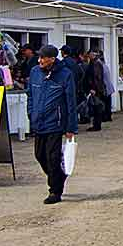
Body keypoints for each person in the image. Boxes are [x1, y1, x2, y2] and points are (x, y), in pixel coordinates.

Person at [26, 45, 78, 205]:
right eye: (39, 57)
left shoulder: (65, 75)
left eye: (43, 58)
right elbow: (30, 95)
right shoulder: (35, 72)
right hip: (38, 122)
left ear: (52, 59)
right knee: (40, 155)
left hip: (55, 123)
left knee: (53, 157)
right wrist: (30, 112)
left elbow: (71, 102)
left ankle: (55, 191)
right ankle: (59, 177)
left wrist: (71, 128)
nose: (40, 60)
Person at [82, 51, 106, 132]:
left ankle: (96, 125)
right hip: (95, 89)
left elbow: (96, 77)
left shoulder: (96, 64)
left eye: (89, 55)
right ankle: (96, 125)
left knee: (96, 107)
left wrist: (94, 89)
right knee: (96, 107)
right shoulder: (95, 63)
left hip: (95, 89)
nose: (88, 56)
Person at [98, 51, 114, 122]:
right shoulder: (105, 66)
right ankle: (108, 116)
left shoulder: (100, 67)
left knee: (104, 103)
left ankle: (105, 117)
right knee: (108, 103)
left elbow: (100, 78)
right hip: (109, 87)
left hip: (105, 88)